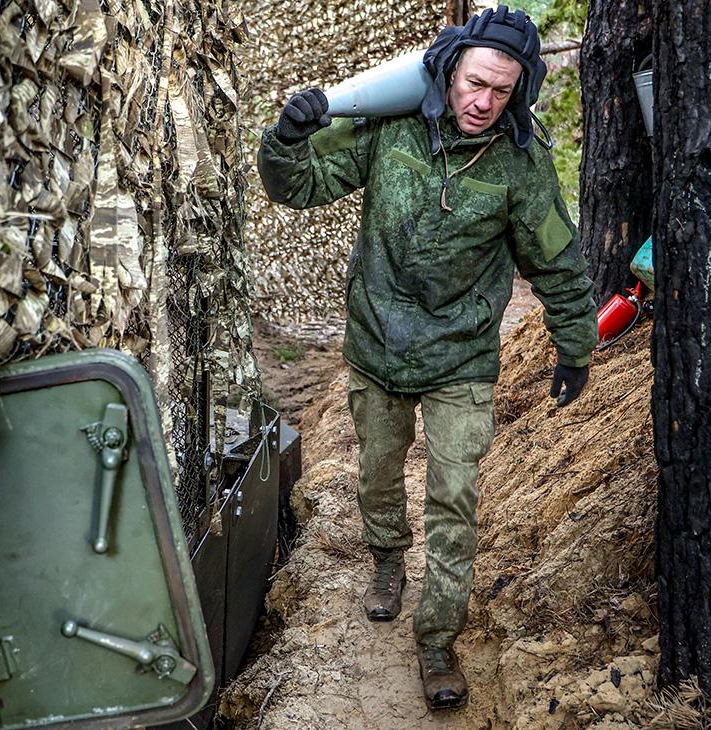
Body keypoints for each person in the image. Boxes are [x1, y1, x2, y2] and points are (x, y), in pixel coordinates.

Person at [256, 5, 598, 712]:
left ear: (520, 90)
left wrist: (576, 346)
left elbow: (558, 262)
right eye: (475, 83)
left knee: (454, 498)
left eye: (502, 91)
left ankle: (437, 641)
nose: (483, 101)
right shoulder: (390, 130)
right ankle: (386, 562)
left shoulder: (521, 163)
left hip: (461, 358)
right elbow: (298, 186)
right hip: (378, 345)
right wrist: (287, 137)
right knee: (378, 474)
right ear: (446, 73)